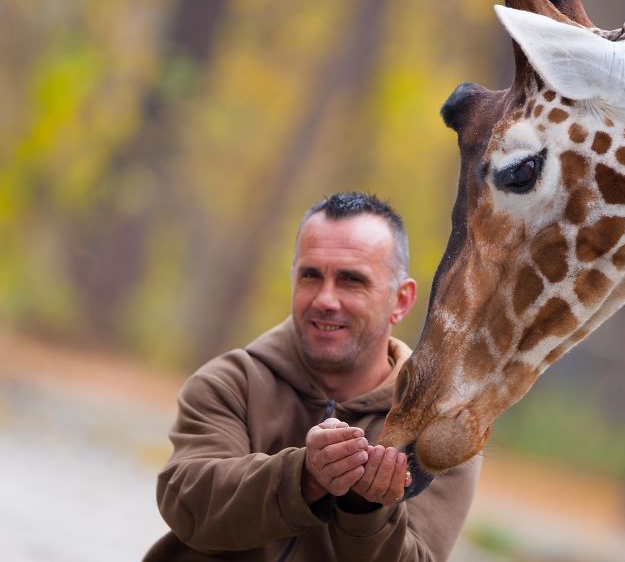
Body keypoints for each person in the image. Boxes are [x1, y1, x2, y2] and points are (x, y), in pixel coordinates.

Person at [144, 192, 481, 562]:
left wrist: (365, 510)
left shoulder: (442, 428)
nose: (325, 299)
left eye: (351, 280)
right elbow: (189, 507)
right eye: (311, 276)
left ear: (400, 301)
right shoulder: (230, 382)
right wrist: (303, 478)